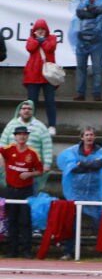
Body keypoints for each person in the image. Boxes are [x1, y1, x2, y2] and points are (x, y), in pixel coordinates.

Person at [56, 126, 102, 259]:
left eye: (91, 135)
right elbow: (71, 168)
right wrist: (89, 165)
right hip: (75, 192)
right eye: (87, 135)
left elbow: (99, 165)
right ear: (82, 137)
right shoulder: (73, 151)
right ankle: (68, 251)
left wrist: (81, 164)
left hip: (94, 192)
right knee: (72, 223)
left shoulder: (101, 152)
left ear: (94, 137)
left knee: (99, 223)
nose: (89, 137)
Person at [0, 126, 44, 258]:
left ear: (27, 136)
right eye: (19, 134)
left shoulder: (32, 152)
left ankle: (26, 251)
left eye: (24, 134)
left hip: (26, 191)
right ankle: (12, 250)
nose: (22, 136)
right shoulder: (9, 149)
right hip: (11, 190)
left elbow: (40, 170)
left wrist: (30, 174)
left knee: (25, 221)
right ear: (15, 136)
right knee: (12, 220)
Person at [1, 100, 53, 193]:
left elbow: (47, 146)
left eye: (29, 109)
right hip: (11, 170)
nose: (26, 110)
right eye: (24, 108)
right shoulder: (11, 125)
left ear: (32, 111)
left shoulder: (40, 127)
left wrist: (47, 164)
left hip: (33, 171)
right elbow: (2, 143)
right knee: (12, 201)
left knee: (30, 201)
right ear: (19, 111)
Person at [23, 19, 59, 134]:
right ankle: (29, 124)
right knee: (31, 102)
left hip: (48, 76)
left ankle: (52, 126)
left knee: (50, 101)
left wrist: (42, 40)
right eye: (38, 29)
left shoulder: (52, 38)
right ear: (34, 30)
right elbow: (30, 48)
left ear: (46, 30)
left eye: (43, 29)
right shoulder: (31, 39)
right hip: (33, 75)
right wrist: (38, 40)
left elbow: (50, 48)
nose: (41, 31)